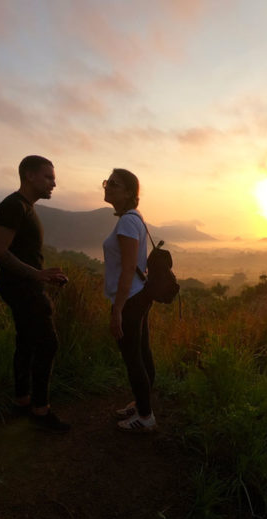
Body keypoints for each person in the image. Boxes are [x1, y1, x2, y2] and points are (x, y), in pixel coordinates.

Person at [0, 155, 70, 432]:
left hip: (25, 285)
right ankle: (40, 410)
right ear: (29, 176)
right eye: (48, 177)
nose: (54, 183)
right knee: (48, 344)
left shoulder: (26, 207)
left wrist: (46, 274)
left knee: (26, 342)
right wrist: (37, 275)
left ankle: (22, 400)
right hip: (21, 288)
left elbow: (21, 252)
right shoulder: (14, 206)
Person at [103, 168, 157, 432]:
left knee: (133, 358)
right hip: (140, 293)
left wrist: (117, 310)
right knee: (143, 352)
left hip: (130, 297)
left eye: (114, 183)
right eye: (107, 182)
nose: (107, 186)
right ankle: (142, 404)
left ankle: (145, 417)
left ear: (128, 193)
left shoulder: (126, 222)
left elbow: (126, 269)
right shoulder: (135, 218)